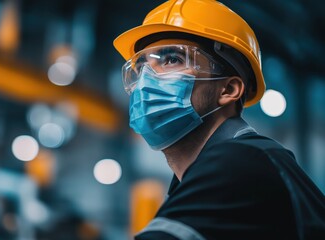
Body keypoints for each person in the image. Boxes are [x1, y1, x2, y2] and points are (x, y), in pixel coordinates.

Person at [113, 0, 325, 239]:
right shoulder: (210, 176)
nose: (145, 81)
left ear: (228, 90)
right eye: (141, 68)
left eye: (172, 59)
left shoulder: (243, 161)